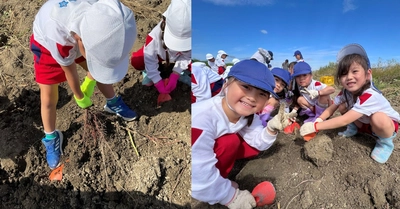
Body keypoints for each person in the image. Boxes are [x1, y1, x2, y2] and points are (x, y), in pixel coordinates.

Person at [29, 0, 138, 169]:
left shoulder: (103, 16)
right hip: (47, 45)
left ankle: (112, 102)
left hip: (78, 37)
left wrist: (90, 78)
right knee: (48, 97)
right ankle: (51, 137)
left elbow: (97, 64)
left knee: (100, 72)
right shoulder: (57, 37)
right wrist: (79, 96)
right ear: (81, 40)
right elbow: (69, 71)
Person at [192, 60, 297, 209]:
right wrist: (230, 197)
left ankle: (220, 180)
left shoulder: (249, 116)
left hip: (214, 154)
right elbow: (197, 174)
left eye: (261, 94)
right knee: (229, 141)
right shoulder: (200, 119)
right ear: (226, 84)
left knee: (241, 144)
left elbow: (258, 142)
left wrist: (272, 128)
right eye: (246, 87)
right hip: (195, 171)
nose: (252, 97)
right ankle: (215, 188)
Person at [300, 43, 400, 164]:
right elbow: (332, 108)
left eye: (354, 71)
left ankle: (385, 143)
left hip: (385, 126)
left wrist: (314, 127)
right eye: (344, 73)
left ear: (368, 74)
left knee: (379, 118)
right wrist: (319, 120)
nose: (349, 77)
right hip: (365, 124)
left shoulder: (370, 95)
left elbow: (344, 119)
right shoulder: (345, 93)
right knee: (342, 105)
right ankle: (354, 129)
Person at [130, 0, 191, 94]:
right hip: (160, 55)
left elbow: (187, 56)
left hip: (178, 57)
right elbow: (149, 59)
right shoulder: (153, 38)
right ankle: (149, 72)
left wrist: (176, 73)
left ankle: (183, 72)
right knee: (137, 60)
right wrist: (157, 81)